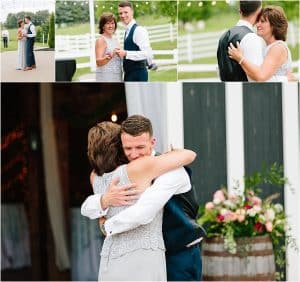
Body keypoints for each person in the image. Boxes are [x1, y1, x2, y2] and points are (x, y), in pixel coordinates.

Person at [82, 115, 204, 281]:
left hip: (179, 252)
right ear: (120, 146)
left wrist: (106, 225)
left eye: (139, 147)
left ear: (152, 142)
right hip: (148, 254)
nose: (134, 154)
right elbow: (89, 205)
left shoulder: (173, 169)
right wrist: (103, 200)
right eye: (128, 148)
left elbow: (144, 211)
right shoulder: (125, 171)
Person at [217, 0, 287, 82]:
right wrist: (286, 79)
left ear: (240, 11)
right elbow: (256, 80)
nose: (258, 24)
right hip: (247, 93)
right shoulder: (251, 38)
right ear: (259, 10)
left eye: (263, 21)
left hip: (228, 93)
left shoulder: (223, 37)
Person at [228, 6, 297, 81]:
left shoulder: (278, 48)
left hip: (279, 91)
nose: (257, 25)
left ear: (274, 25)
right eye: (258, 21)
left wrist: (241, 59)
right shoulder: (266, 46)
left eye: (262, 21)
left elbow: (261, 76)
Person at [115, 1, 153, 81]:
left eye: (126, 12)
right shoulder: (127, 30)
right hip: (129, 74)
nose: (123, 15)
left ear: (132, 12)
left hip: (138, 75)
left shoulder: (139, 30)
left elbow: (147, 53)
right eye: (120, 13)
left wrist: (126, 53)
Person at [95, 13, 123, 82]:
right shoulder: (101, 40)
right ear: (103, 26)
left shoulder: (116, 41)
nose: (111, 26)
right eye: (108, 23)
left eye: (113, 23)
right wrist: (111, 55)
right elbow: (98, 62)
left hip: (117, 76)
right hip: (106, 77)